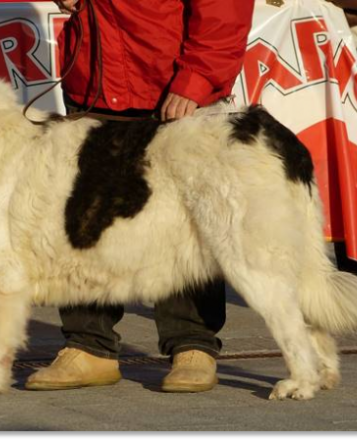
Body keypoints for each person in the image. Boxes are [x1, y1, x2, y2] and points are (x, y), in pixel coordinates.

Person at [25, 0, 255, 393]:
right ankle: (88, 345)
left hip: (170, 85)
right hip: (94, 77)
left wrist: (197, 79)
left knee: (183, 223)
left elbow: (224, 9)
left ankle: (192, 345)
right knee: (85, 217)